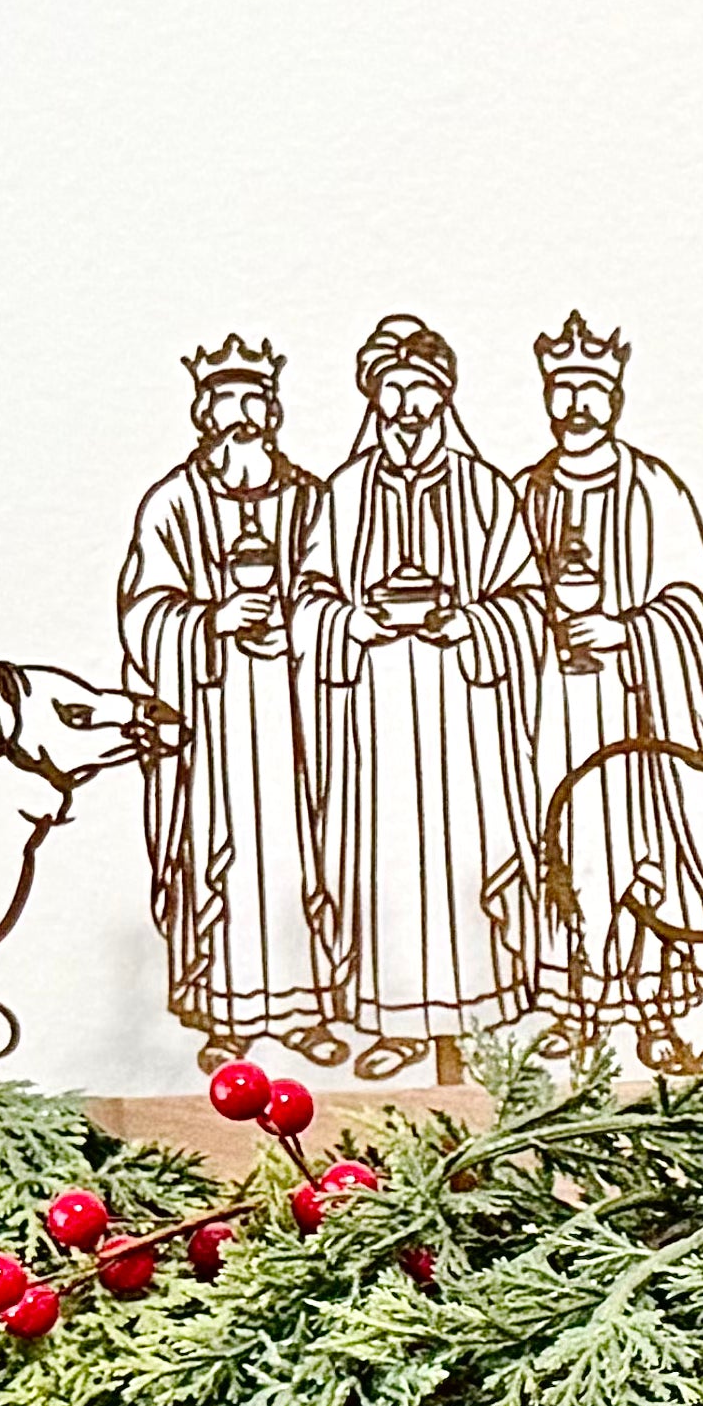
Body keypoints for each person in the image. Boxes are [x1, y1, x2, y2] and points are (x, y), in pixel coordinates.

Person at [310, 313, 542, 1076]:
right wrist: (355, 621)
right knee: (388, 855)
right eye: (392, 390)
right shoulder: (345, 494)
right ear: (373, 398)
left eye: (421, 389)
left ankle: (478, 1013)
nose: (407, 405)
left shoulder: (485, 490)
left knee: (467, 850)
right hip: (377, 702)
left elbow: (524, 598)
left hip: (462, 703)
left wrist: (468, 619)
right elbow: (309, 598)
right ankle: (397, 1019)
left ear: (444, 395)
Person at [116, 335, 344, 1057]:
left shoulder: (311, 498)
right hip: (212, 714)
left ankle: (307, 1005)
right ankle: (227, 1013)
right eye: (226, 403)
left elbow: (337, 587)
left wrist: (302, 626)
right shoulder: (172, 503)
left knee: (303, 850)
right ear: (203, 414)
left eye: (253, 401)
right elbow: (143, 608)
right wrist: (210, 620)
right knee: (222, 853)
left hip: (296, 711)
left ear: (272, 411)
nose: (241, 417)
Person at [508, 312, 703, 1030]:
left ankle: (651, 1003)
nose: (576, 405)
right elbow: (496, 597)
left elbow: (694, 610)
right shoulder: (519, 495)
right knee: (566, 850)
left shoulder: (656, 491)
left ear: (616, 396)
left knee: (635, 850)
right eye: (563, 388)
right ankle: (567, 1001)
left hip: (635, 715)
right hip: (548, 712)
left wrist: (627, 631)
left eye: (591, 389)